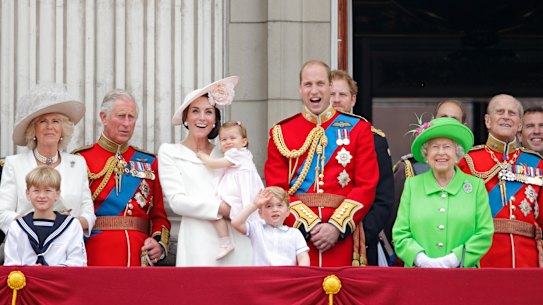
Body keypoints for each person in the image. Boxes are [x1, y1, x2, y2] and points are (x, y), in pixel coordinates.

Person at [265, 60, 379, 267]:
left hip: (342, 237)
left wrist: (336, 226)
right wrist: (309, 226)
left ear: (330, 87)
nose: (314, 90)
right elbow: (277, 189)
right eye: (308, 84)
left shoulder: (358, 129)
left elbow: (366, 186)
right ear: (300, 89)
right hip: (296, 237)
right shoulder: (281, 132)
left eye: (320, 84)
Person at [158, 76, 252, 266]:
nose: (202, 118)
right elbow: (177, 201)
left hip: (237, 239)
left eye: (208, 112)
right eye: (195, 111)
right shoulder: (170, 152)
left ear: (215, 119)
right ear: (186, 117)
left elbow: (248, 184)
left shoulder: (228, 152)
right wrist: (221, 209)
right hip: (197, 240)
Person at [74, 89, 170, 266]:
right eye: (121, 116)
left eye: (131, 117)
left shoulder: (150, 162)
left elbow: (159, 216)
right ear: (104, 117)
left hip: (139, 254)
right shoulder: (81, 159)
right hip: (96, 252)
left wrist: (158, 243)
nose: (126, 123)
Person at [393, 117, 493, 267]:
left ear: (457, 152)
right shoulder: (413, 185)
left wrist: (455, 259)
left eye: (447, 147)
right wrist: (420, 259)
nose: (441, 153)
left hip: (463, 277)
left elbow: (484, 233)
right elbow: (400, 233)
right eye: (434, 147)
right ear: (426, 154)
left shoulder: (476, 186)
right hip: (419, 276)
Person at [0, 83, 95, 239]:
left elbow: (89, 214)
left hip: (67, 249)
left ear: (63, 129)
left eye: (56, 121)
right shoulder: (14, 164)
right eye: (43, 121)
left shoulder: (78, 164)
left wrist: (66, 226)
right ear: (33, 129)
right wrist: (35, 224)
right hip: (26, 248)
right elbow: (3, 214)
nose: (50, 126)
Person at [458, 94, 543, 268]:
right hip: (482, 256)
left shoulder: (537, 163)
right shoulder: (468, 161)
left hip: (527, 258)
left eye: (512, 113)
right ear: (488, 121)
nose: (506, 116)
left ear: (519, 124)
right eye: (500, 112)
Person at [386, 99, 467, 265]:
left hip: (461, 266)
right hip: (417, 265)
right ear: (432, 119)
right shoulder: (409, 169)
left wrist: (456, 258)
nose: (447, 122)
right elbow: (393, 223)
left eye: (454, 119)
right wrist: (417, 257)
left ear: (463, 125)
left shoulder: (471, 171)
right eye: (443, 116)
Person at [330, 69, 394, 266]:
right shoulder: (309, 139)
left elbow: (383, 199)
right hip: (316, 239)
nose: (337, 100)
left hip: (360, 243)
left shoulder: (374, 140)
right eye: (331, 94)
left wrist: (358, 234)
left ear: (353, 100)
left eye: (343, 95)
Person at [197, 120, 264, 260]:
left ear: (244, 141)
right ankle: (225, 241)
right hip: (238, 192)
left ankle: (225, 241)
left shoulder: (236, 154)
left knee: (213, 208)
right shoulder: (243, 154)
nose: (228, 142)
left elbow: (213, 164)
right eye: (223, 139)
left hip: (238, 194)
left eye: (232, 138)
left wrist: (202, 155)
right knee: (214, 210)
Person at [4, 166, 87, 266]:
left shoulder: (72, 225)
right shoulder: (17, 226)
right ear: (28, 194)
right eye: (36, 190)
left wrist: (46, 273)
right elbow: (11, 264)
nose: (42, 196)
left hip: (59, 280)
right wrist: (31, 272)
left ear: (57, 194)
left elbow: (78, 262)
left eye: (48, 190)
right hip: (26, 280)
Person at [231, 186, 310, 266]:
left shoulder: (295, 234)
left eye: (279, 205)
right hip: (262, 277)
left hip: (285, 277)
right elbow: (236, 223)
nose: (275, 209)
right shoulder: (256, 229)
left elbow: (303, 258)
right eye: (269, 206)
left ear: (287, 211)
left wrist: (302, 277)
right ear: (260, 213)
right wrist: (254, 205)